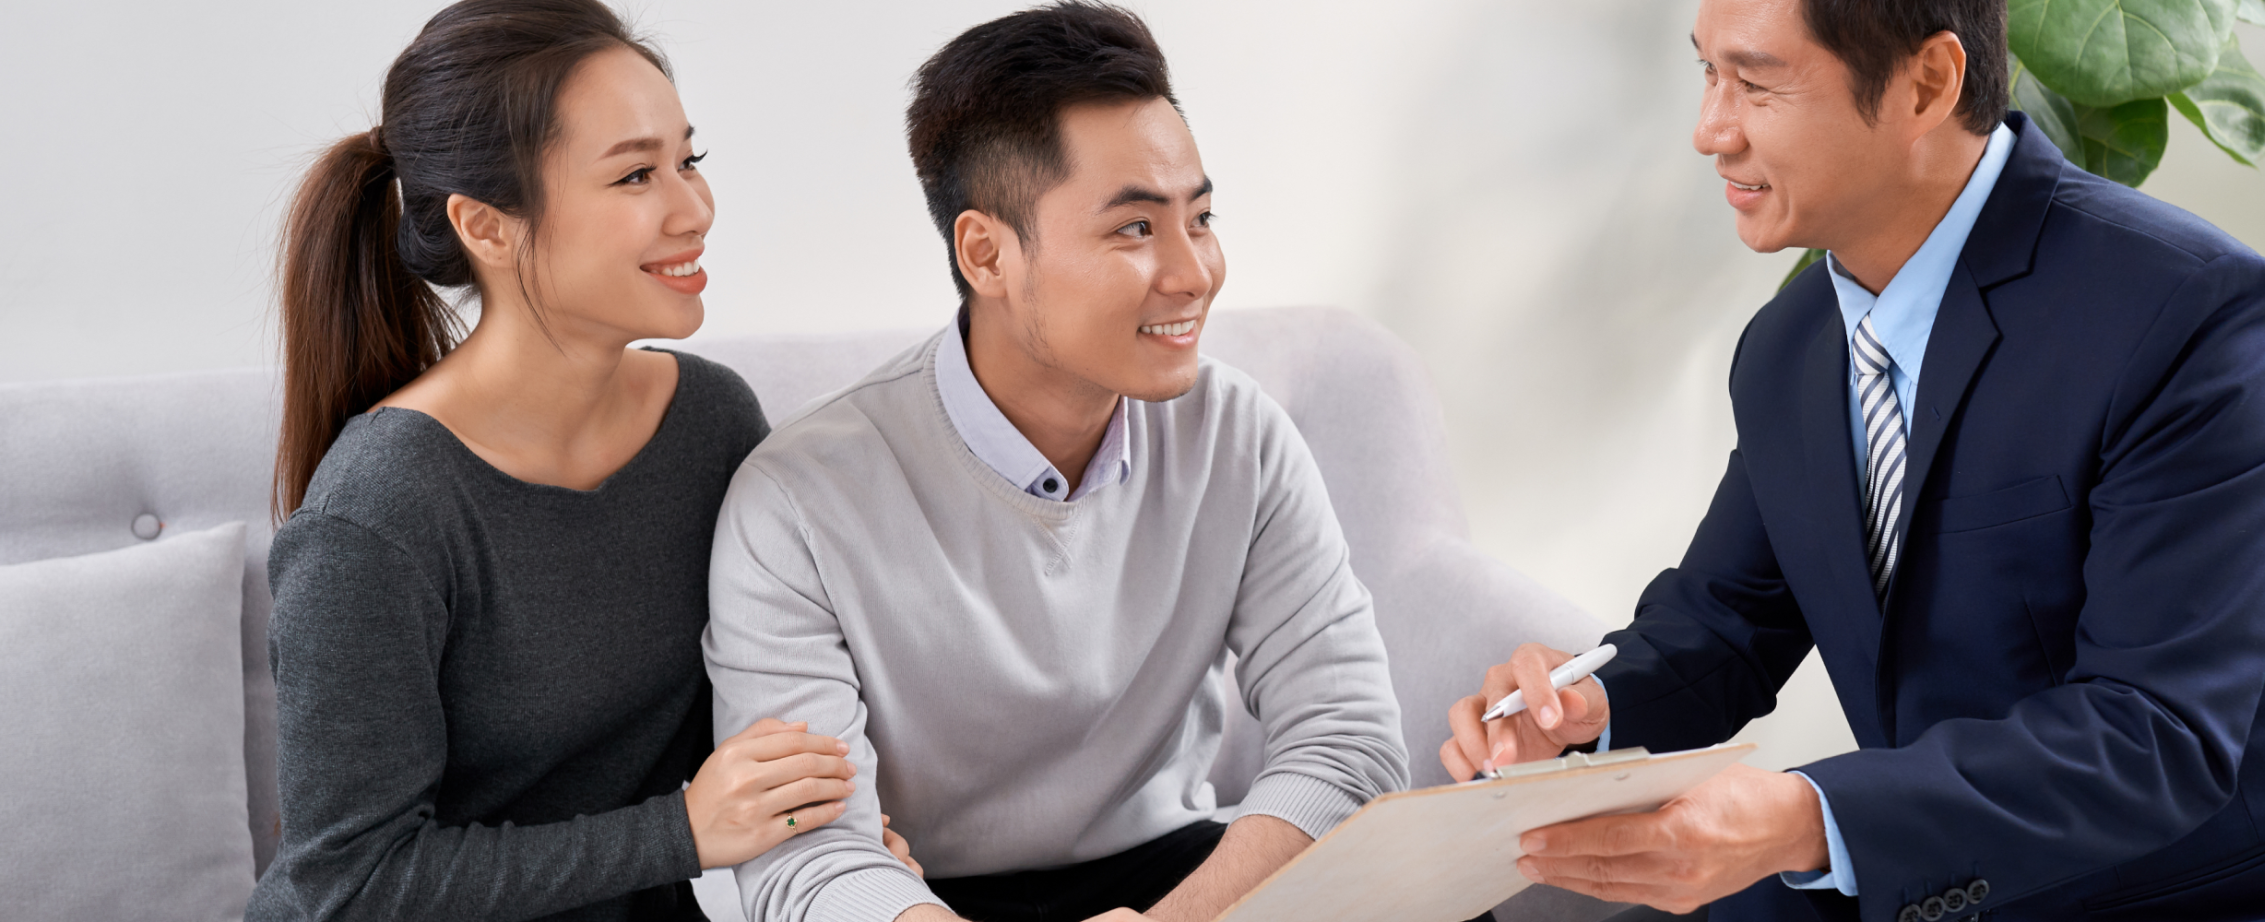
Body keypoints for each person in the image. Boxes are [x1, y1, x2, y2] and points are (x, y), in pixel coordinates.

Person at [1439, 0, 2265, 920]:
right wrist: (1581, 708)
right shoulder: (1790, 346)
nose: (1710, 129)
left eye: (1757, 84)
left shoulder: (2192, 312)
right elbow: (1727, 623)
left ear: (1925, 83)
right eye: (1707, 75)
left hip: (2226, 897)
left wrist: (1797, 814)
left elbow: (2152, 737)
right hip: (1963, 884)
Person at [700, 5, 1408, 922]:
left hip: (1180, 879)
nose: (1194, 271)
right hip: (917, 899)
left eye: (1200, 217)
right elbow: (806, 856)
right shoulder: (796, 500)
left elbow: (1347, 742)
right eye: (1133, 231)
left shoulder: (1238, 435)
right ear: (985, 253)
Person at [250, 2, 892, 919]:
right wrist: (679, 832)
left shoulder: (710, 421)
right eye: (636, 174)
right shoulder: (379, 515)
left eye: (689, 160)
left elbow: (759, 710)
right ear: (488, 226)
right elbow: (344, 886)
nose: (694, 208)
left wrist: (838, 833)